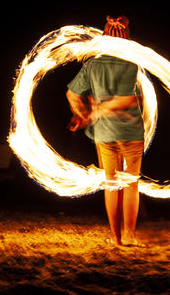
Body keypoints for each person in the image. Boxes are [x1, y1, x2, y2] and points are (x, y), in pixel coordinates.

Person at [66, 15, 144, 246]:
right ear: (126, 38)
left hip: (104, 132)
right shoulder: (132, 62)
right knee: (130, 184)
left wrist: (83, 115)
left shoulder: (93, 65)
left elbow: (71, 94)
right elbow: (128, 98)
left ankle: (116, 237)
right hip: (130, 130)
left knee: (111, 184)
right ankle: (129, 236)